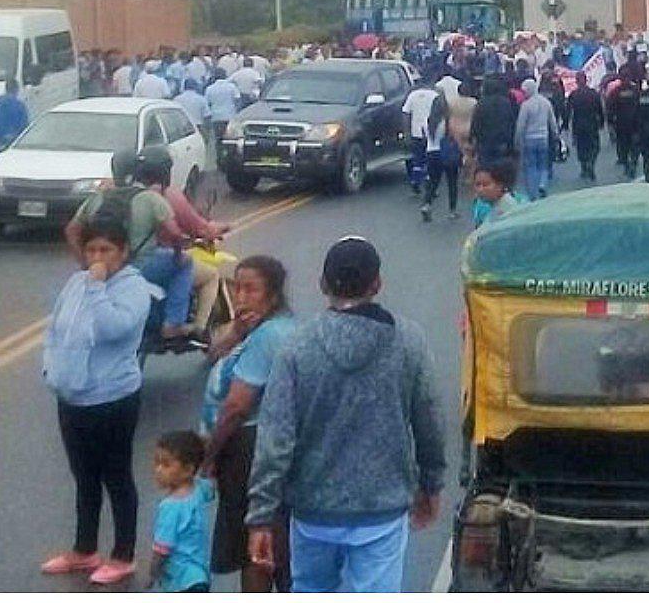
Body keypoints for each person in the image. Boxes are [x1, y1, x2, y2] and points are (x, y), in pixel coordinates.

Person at [246, 237, 446, 593]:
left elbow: (274, 440)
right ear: (377, 284)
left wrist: (261, 516)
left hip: (312, 511)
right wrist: (430, 483)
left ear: (323, 284)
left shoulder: (297, 346)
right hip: (381, 512)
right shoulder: (408, 341)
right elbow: (429, 419)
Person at [41, 220, 151, 585]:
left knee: (115, 476)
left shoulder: (134, 288)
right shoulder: (77, 282)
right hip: (73, 395)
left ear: (123, 252)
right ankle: (84, 549)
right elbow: (58, 327)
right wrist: (51, 370)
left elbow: (111, 328)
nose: (97, 258)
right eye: (91, 250)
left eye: (106, 250)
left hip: (112, 397)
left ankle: (123, 555)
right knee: (83, 476)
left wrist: (98, 286)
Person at [201, 256, 295, 592]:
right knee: (272, 533)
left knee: (254, 544)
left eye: (250, 289)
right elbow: (212, 355)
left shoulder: (269, 337)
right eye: (236, 288)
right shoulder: (260, 330)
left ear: (272, 296)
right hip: (256, 447)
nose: (241, 297)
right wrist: (238, 330)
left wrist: (209, 457)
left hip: (246, 450)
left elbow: (237, 407)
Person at [65, 148, 196, 342]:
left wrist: (86, 262)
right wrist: (178, 253)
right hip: (142, 264)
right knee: (186, 264)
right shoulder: (150, 198)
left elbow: (71, 230)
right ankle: (173, 324)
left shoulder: (98, 198)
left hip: (107, 268)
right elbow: (174, 233)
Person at [148, 431, 215, 593]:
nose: (158, 469)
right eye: (156, 463)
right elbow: (210, 486)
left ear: (187, 470)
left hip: (179, 580)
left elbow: (162, 549)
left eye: (166, 465)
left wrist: (152, 573)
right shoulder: (199, 489)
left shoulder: (170, 507)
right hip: (199, 575)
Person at [162, 180, 231, 337]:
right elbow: (197, 226)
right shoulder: (168, 195)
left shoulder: (111, 192)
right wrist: (220, 228)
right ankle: (199, 328)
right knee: (211, 275)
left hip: (124, 264)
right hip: (156, 262)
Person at [513, 78, 559, 199]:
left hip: (529, 139)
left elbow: (521, 125)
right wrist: (555, 135)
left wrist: (517, 140)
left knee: (531, 166)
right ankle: (543, 184)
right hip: (543, 137)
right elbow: (552, 121)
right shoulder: (546, 102)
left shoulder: (526, 105)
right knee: (543, 164)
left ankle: (533, 192)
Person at [421, 91, 461, 221]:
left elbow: (424, 137)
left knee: (433, 181)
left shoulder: (429, 121)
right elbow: (453, 136)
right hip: (446, 153)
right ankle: (452, 210)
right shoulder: (447, 121)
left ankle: (427, 204)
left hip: (431, 152)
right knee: (452, 182)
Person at [402, 83, 440, 197]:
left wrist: (406, 132)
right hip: (432, 133)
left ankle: (416, 181)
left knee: (417, 159)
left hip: (416, 132)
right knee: (431, 161)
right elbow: (441, 113)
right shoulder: (435, 95)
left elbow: (406, 113)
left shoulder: (412, 95)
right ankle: (430, 186)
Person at [471, 77, 517, 167]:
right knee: (499, 167)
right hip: (501, 140)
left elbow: (476, 121)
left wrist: (473, 136)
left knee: (485, 166)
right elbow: (511, 122)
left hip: (484, 140)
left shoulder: (481, 103)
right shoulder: (505, 103)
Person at [567, 71, 604, 181]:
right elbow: (600, 110)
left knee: (581, 147)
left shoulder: (573, 95)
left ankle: (584, 167)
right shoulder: (593, 94)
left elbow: (568, 111)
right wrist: (602, 122)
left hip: (578, 124)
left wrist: (565, 124)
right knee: (595, 146)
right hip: (592, 123)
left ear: (577, 81)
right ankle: (591, 163)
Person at [606, 71, 641, 180]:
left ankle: (628, 165)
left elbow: (610, 108)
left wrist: (610, 122)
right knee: (633, 147)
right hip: (634, 124)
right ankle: (632, 164)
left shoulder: (615, 91)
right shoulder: (636, 90)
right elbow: (642, 105)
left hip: (622, 124)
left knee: (624, 147)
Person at [472, 159, 521, 226]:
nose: (481, 189)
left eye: (485, 185)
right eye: (478, 184)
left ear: (500, 185)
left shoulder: (508, 209)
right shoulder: (490, 204)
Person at [205, 69, 240, 141]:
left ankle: (219, 151)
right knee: (230, 139)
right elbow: (237, 100)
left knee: (218, 139)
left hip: (216, 117)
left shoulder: (209, 88)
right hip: (230, 116)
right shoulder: (232, 87)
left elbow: (207, 104)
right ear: (225, 75)